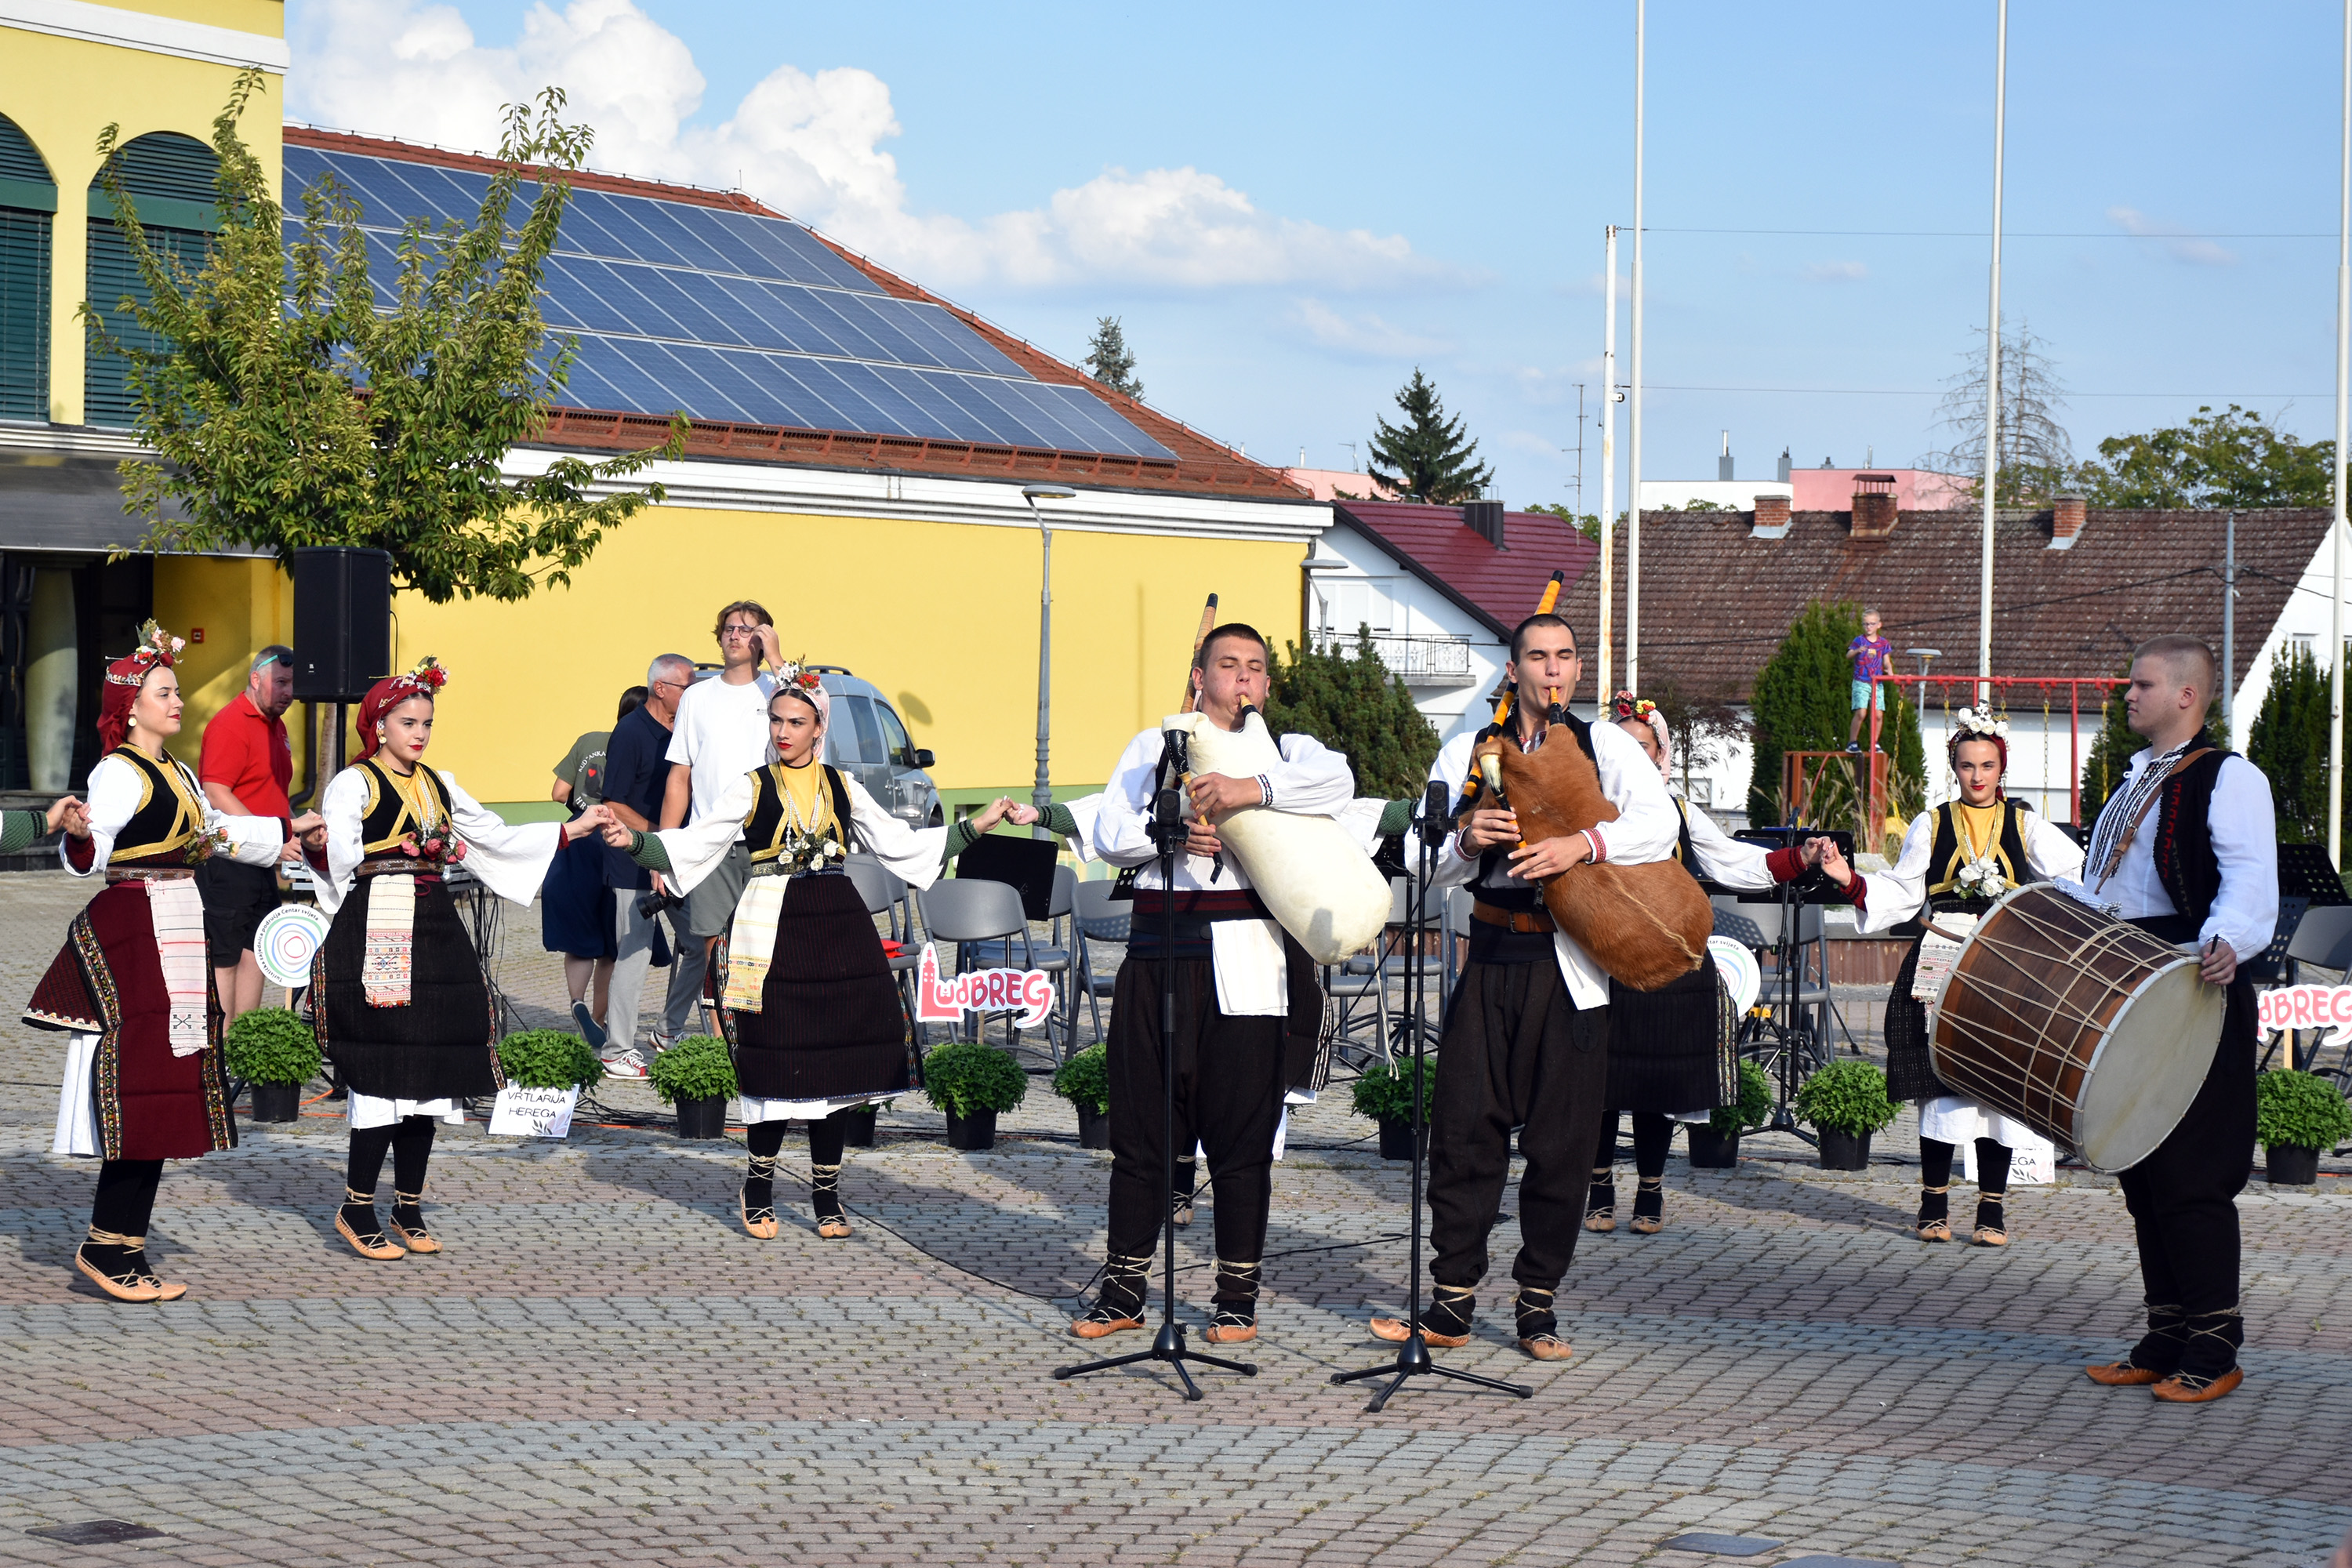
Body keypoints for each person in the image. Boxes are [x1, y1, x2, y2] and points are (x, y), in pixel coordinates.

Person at [608, 668, 1016, 1240]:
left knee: (836, 1064)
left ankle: (827, 1193)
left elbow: (903, 846)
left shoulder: (844, 786)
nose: (783, 731)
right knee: (776, 1057)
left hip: (837, 926)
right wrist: (636, 842)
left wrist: (979, 824)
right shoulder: (751, 787)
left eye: (796, 722)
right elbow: (696, 844)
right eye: (776, 720)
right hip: (770, 927)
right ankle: (758, 1186)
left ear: (819, 728)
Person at [1368, 614, 1679, 1362]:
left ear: (1577, 669)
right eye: (1538, 657)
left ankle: (1538, 1304)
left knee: (1561, 1143)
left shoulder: (1603, 746)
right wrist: (1464, 839)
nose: (1553, 669)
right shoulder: (1471, 749)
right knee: (1463, 1131)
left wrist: (1584, 843)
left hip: (1570, 965)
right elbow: (1422, 856)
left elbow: (1660, 824)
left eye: (1564, 656)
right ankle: (1450, 1302)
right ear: (1514, 670)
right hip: (1491, 955)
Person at [1071, 623, 1354, 1346]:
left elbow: (1340, 784)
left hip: (1249, 958)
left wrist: (1247, 788)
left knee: (1240, 1135)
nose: (1243, 678)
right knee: (1143, 1130)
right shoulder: (1156, 745)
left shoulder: (1290, 752)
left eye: (1255, 667)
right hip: (1160, 952)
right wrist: (1168, 829)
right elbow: (1108, 833)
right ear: (1200, 677)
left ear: (1266, 685)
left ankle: (1236, 1297)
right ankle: (1124, 1290)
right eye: (1228, 665)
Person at [23, 622, 318, 1302]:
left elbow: (215, 831)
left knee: (171, 1079)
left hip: (178, 925)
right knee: (144, 1080)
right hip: (138, 930)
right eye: (165, 692)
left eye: (177, 690)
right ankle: (107, 1244)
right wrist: (79, 833)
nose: (178, 701)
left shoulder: (177, 773)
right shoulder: (118, 771)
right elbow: (92, 852)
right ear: (131, 708)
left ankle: (124, 1246)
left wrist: (285, 830)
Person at [306, 659, 610, 1261]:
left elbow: (492, 835)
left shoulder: (438, 784)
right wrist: (339, 857)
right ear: (379, 725)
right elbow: (338, 859)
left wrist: (573, 830)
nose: (419, 733)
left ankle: (408, 1205)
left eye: (427, 723)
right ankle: (357, 1206)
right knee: (385, 1067)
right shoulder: (355, 784)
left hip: (435, 929)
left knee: (432, 1069)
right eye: (408, 722)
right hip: (379, 927)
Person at [2069, 636, 2274, 1405]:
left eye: (2143, 684)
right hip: (2130, 978)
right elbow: (2106, 885)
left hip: (2194, 980)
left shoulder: (2230, 777)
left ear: (2187, 695)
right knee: (2144, 1171)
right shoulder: (2136, 779)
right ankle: (2166, 1336)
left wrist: (2227, 941)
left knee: (2192, 1174)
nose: (2128, 694)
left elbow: (2250, 877)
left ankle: (2215, 1346)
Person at [1815, 705, 2084, 1247]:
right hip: (1941, 955)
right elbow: (1902, 890)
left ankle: (1992, 1211)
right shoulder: (1931, 823)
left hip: (2005, 960)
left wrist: (2042, 925)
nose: (1977, 776)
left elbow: (2075, 877)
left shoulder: (2026, 824)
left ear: (2001, 767)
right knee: (1941, 1083)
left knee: (1999, 1084)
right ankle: (1933, 1204)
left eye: (1987, 765)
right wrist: (1850, 880)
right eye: (1967, 765)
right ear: (1954, 768)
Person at [1585, 693, 1809, 1236]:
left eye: (1643, 747)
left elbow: (1733, 860)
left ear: (1660, 754)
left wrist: (1798, 858)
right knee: (1600, 1083)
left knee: (1657, 1084)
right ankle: (1598, 1188)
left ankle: (1651, 1190)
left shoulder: (1681, 812)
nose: (1633, 757)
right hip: (1603, 959)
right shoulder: (1588, 813)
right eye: (1622, 748)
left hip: (1669, 963)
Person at [658, 601, 789, 1050]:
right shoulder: (697, 697)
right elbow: (680, 778)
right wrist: (666, 850)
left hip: (766, 841)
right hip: (710, 842)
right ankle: (720, 1044)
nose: (736, 635)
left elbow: (815, 712)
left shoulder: (778, 693)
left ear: (763, 639)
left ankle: (762, 1035)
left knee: (765, 944)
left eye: (748, 629)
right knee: (712, 944)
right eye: (730, 628)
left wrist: (777, 658)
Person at [598, 655, 693, 1076]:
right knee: (635, 954)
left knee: (701, 944)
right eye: (686, 687)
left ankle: (668, 1030)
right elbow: (613, 803)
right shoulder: (630, 732)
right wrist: (657, 838)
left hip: (680, 859)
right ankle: (616, 1050)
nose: (692, 695)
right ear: (660, 688)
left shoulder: (683, 730)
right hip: (632, 861)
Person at [197, 644, 296, 1023]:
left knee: (259, 950)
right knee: (225, 958)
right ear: (256, 679)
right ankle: (218, 1049)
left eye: (292, 684)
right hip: (230, 860)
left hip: (263, 860)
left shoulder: (276, 726)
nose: (288, 692)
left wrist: (296, 831)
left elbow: (273, 792)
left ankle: (242, 1042)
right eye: (280, 683)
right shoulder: (230, 722)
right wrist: (270, 836)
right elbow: (216, 792)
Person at [541, 690, 641, 1049]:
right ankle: (598, 1022)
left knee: (579, 936)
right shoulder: (645, 746)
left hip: (578, 841)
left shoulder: (590, 741)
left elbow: (558, 792)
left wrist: (584, 806)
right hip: (618, 843)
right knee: (611, 944)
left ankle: (577, 1001)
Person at [1846, 608, 1893, 752]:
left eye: (1872, 624)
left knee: (1878, 715)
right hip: (1861, 681)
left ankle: (1874, 743)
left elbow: (1887, 661)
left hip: (1877, 683)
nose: (1868, 627)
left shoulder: (1883, 643)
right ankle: (1852, 742)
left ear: (1879, 625)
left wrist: (1890, 672)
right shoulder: (1859, 640)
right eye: (1866, 624)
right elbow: (1848, 655)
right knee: (1861, 712)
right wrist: (1857, 651)